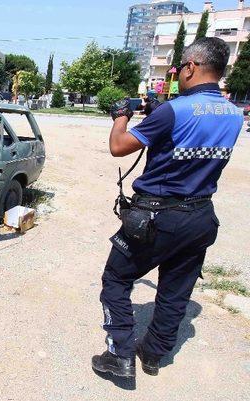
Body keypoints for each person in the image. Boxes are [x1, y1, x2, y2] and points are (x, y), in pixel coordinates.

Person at [92, 37, 244, 378]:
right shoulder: (234, 114)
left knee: (116, 277)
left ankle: (120, 353)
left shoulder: (173, 111)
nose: (177, 75)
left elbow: (119, 147)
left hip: (157, 217)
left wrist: (121, 116)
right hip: (201, 216)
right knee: (176, 289)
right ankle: (155, 355)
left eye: (179, 69)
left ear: (191, 67)